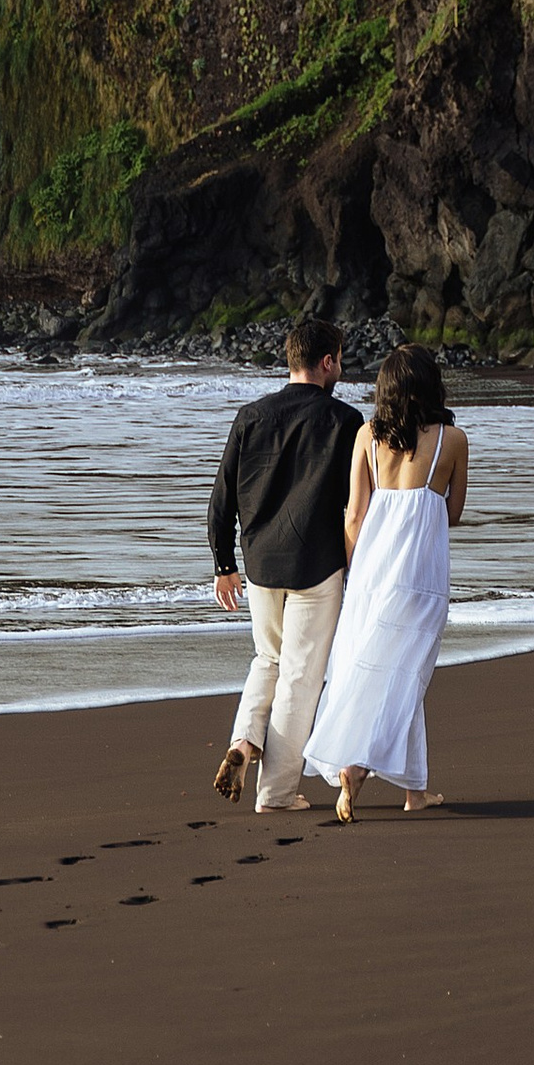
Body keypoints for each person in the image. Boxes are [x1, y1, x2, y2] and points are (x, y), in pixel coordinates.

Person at [206, 311, 363, 817]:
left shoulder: (251, 416)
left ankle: (245, 743)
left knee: (267, 661)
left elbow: (222, 496)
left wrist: (223, 564)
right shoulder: (344, 422)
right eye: (339, 359)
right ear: (327, 362)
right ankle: (275, 793)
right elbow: (353, 506)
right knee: (299, 678)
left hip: (259, 565)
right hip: (315, 565)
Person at [305, 341, 469, 821]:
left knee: (369, 670)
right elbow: (452, 513)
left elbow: (354, 516)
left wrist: (355, 571)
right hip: (422, 576)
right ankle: (362, 771)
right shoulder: (452, 441)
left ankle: (411, 788)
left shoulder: (366, 436)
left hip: (372, 574)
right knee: (408, 677)